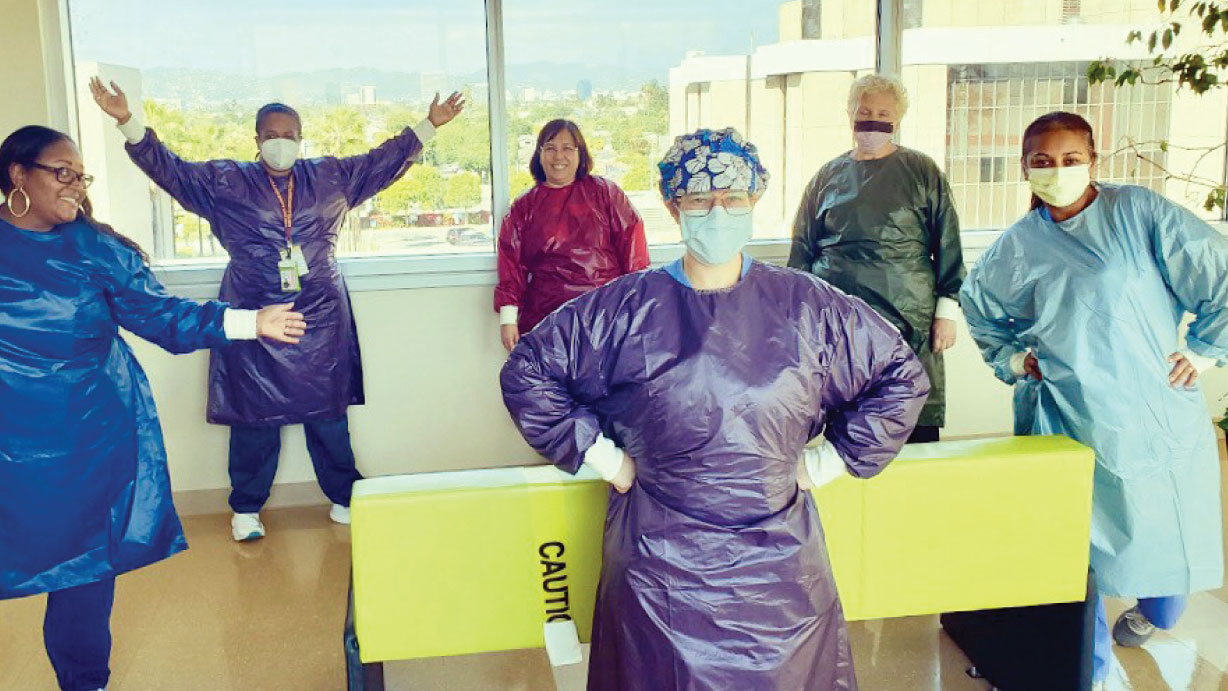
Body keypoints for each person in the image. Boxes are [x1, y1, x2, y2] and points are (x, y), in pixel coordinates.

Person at [500, 128, 929, 690]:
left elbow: (900, 376)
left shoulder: (807, 306)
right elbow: (529, 371)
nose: (717, 212)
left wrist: (825, 463)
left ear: (754, 201)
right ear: (674, 207)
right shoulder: (624, 309)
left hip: (778, 578)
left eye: (733, 198)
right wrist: (606, 460)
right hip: (660, 571)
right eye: (700, 199)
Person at [0, 125, 304, 690]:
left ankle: (86, 683)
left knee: (82, 574)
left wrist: (250, 322)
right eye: (63, 172)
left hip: (78, 450)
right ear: (17, 175)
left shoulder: (96, 251)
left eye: (82, 176)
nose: (77, 185)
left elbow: (163, 318)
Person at [90, 77, 463, 540]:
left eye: (289, 135)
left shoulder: (330, 176)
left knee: (328, 414)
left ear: (301, 138)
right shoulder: (227, 182)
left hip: (320, 315)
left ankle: (344, 496)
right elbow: (172, 171)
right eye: (272, 135)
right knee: (252, 415)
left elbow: (381, 162)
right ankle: (246, 507)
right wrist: (128, 121)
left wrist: (430, 125)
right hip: (251, 311)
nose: (281, 143)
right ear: (257, 140)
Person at [960, 111, 1227, 689]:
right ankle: (1093, 670)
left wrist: (1207, 349)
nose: (1058, 172)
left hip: (1152, 410)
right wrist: (1011, 359)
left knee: (1162, 551)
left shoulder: (1138, 213)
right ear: (1025, 169)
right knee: (1075, 554)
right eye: (1043, 162)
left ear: (1093, 160)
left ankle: (1154, 613)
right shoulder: (1020, 243)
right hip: (1067, 412)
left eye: (1070, 159)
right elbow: (979, 305)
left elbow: (1217, 270)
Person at [789, 74, 964, 443]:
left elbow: (947, 241)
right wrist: (798, 320)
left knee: (911, 419)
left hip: (909, 319)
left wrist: (946, 313)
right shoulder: (827, 177)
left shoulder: (922, 172)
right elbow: (802, 251)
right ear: (850, 113)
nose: (872, 119)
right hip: (839, 324)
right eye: (865, 110)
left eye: (883, 112)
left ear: (898, 118)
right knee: (851, 429)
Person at [494, 119, 648, 350]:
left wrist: (637, 309)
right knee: (550, 384)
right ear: (539, 154)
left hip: (603, 316)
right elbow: (511, 265)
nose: (559, 157)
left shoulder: (606, 193)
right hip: (545, 320)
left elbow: (633, 251)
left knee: (601, 383)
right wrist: (508, 320)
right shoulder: (524, 207)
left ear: (580, 153)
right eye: (551, 148)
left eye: (567, 148)